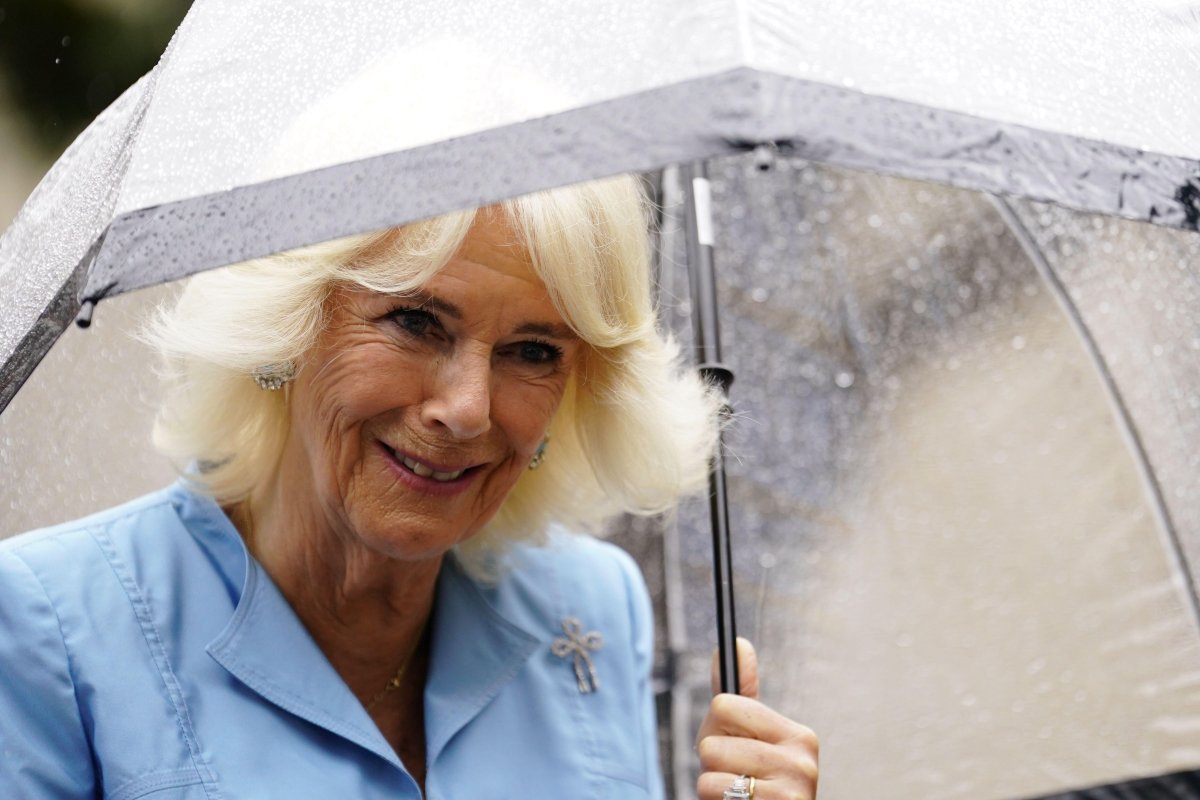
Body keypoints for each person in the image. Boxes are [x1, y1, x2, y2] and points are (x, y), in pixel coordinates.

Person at [0, 176, 818, 799]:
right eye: (416, 323)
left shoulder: (593, 606)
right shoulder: (49, 627)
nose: (466, 409)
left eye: (533, 351)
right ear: (288, 325)